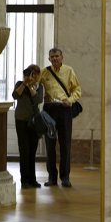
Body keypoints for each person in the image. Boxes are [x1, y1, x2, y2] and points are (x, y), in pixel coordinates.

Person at [39, 48, 81, 188]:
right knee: (50, 144)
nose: (55, 59)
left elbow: (77, 89)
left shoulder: (69, 71)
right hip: (49, 110)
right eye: (52, 57)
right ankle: (51, 177)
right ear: (49, 59)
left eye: (57, 56)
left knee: (65, 144)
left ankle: (65, 177)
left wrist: (70, 100)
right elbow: (34, 83)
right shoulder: (44, 72)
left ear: (62, 57)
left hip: (64, 109)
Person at [12, 64, 44, 189]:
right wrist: (25, 84)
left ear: (37, 76)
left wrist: (30, 86)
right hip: (21, 120)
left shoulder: (39, 86)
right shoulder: (20, 84)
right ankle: (24, 180)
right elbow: (15, 96)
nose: (32, 76)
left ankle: (32, 179)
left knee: (32, 151)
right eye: (30, 73)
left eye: (35, 74)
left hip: (34, 121)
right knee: (24, 150)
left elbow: (38, 100)